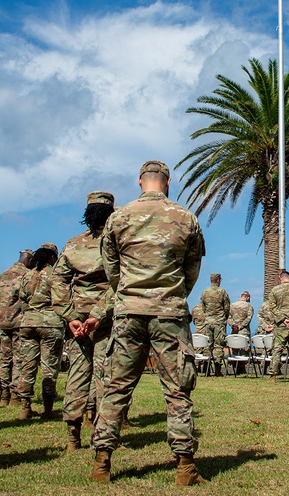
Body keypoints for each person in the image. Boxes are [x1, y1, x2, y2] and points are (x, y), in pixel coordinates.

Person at [84, 160, 206, 485]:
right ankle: (185, 468)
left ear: (140, 181)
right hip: (170, 313)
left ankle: (101, 462)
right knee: (177, 390)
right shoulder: (185, 217)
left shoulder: (118, 219)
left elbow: (110, 268)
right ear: (167, 182)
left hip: (128, 312)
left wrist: (126, 294)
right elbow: (192, 268)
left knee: (116, 387)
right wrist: (172, 295)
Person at [53, 191, 115, 451]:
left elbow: (57, 281)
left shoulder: (72, 244)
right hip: (105, 321)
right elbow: (120, 282)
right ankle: (102, 437)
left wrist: (70, 316)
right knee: (106, 376)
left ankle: (72, 436)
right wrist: (98, 315)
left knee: (77, 375)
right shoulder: (115, 243)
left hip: (78, 321)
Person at [17, 243, 63, 421]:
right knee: (49, 368)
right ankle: (48, 409)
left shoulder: (27, 275)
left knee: (27, 366)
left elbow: (21, 300)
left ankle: (24, 408)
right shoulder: (54, 274)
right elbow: (61, 299)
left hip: (28, 323)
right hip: (50, 324)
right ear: (52, 257)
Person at [0, 249, 32, 406]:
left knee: (5, 359)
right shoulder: (26, 276)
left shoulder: (3, 275)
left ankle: (4, 394)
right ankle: (15, 395)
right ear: (29, 260)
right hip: (18, 322)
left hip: (2, 321)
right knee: (18, 359)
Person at [199, 273, 230, 376]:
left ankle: (207, 368)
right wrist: (224, 317)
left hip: (208, 321)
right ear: (218, 280)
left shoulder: (204, 292)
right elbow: (226, 307)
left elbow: (203, 307)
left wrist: (208, 316)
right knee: (219, 345)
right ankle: (217, 368)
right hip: (219, 321)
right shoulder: (222, 292)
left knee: (208, 345)